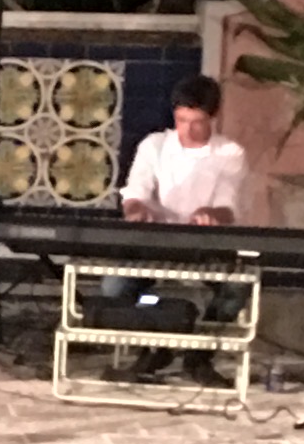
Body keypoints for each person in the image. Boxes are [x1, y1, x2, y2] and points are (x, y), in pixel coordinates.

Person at [97, 72, 256, 379]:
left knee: (237, 287)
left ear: (213, 117)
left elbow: (229, 205)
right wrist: (136, 209)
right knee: (114, 287)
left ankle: (199, 356)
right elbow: (136, 190)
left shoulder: (230, 153)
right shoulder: (154, 145)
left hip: (208, 245)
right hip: (155, 241)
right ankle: (154, 338)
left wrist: (212, 214)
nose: (188, 129)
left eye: (197, 122)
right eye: (182, 120)